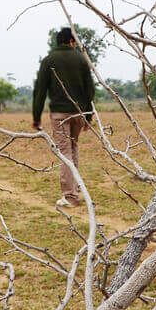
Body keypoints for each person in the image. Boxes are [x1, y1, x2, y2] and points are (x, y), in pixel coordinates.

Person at [32, 27, 95, 207]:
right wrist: (89, 116)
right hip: (79, 112)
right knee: (73, 148)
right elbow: (89, 90)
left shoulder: (48, 60)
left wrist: (36, 117)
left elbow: (40, 91)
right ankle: (74, 191)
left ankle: (70, 197)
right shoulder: (81, 59)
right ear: (71, 41)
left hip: (60, 114)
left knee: (65, 152)